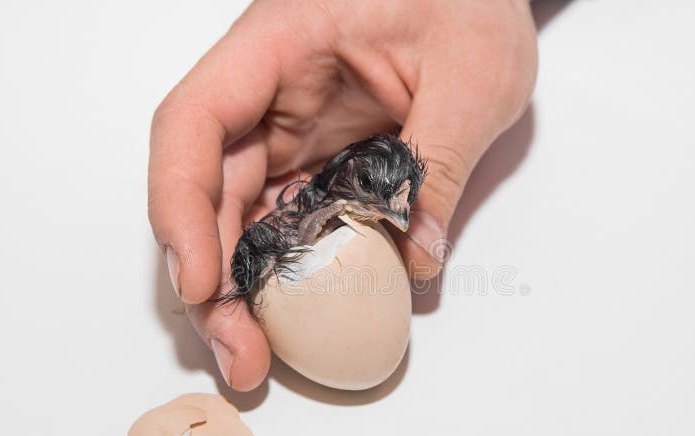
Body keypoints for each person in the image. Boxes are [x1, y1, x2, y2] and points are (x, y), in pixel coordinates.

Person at [147, 0, 538, 391]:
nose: (402, 216)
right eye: (376, 192)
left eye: (403, 203)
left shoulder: (356, 220)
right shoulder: (314, 218)